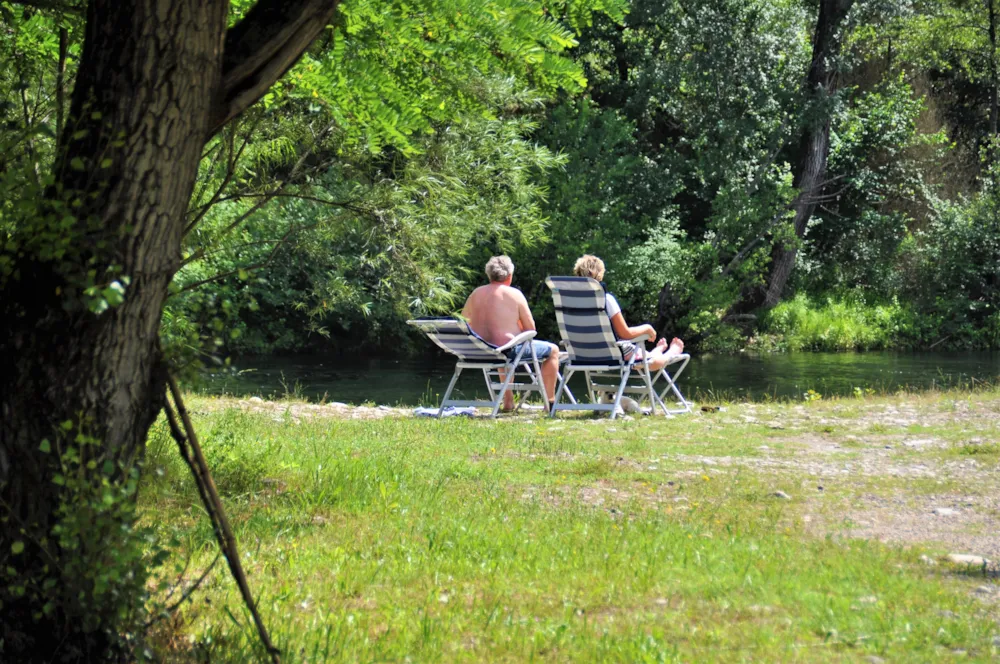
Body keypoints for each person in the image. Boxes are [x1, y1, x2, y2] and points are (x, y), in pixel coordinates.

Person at [462, 255, 560, 411]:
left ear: (489, 275)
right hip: (505, 351)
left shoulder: (475, 294)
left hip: (480, 350)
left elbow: (464, 322)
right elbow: (531, 330)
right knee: (553, 350)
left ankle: (508, 401)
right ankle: (550, 403)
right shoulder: (514, 294)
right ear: (509, 276)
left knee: (501, 346)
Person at [572, 254, 684, 372]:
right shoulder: (605, 300)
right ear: (600, 275)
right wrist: (647, 328)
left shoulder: (571, 302)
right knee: (653, 362)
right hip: (614, 354)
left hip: (583, 355)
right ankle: (671, 353)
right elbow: (625, 334)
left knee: (646, 357)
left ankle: (657, 351)